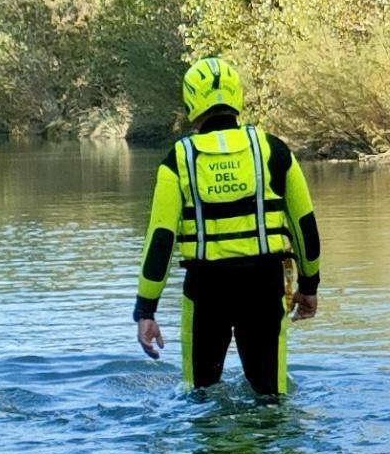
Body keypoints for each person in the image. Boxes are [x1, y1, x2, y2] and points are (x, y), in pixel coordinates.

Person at [133, 57, 321, 395]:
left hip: (206, 289)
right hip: (263, 287)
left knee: (199, 396)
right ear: (236, 95)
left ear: (191, 100)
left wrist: (146, 309)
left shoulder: (178, 160)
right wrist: (309, 285)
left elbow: (160, 240)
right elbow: (305, 224)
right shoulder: (273, 150)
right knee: (271, 397)